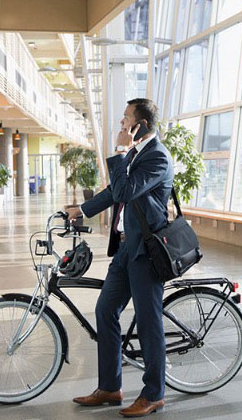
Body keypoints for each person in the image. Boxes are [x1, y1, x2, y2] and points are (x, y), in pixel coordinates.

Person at [65, 98, 173, 418]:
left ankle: (154, 393)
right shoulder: (138, 155)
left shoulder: (157, 158)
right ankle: (111, 387)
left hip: (147, 253)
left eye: (126, 118)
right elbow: (116, 191)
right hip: (127, 249)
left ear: (140, 125)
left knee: (149, 322)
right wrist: (81, 210)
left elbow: (125, 192)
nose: (121, 124)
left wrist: (122, 151)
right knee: (105, 310)